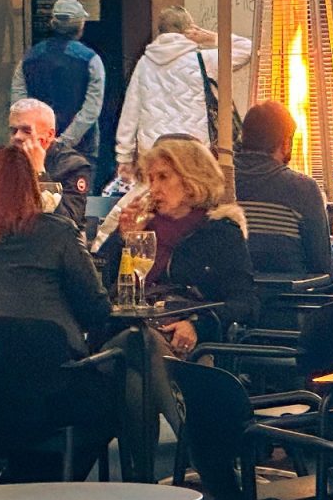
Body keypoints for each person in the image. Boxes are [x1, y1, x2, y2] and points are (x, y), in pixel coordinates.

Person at [0, 145, 116, 481]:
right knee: (112, 401)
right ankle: (55, 486)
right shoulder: (58, 232)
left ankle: (21, 479)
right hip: (51, 390)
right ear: (33, 188)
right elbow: (96, 308)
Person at [102, 137, 259, 351]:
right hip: (130, 331)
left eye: (163, 177)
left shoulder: (219, 232)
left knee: (146, 346)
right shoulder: (142, 227)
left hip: (187, 338)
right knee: (141, 343)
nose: (154, 188)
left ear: (192, 180)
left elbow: (245, 303)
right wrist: (123, 240)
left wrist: (197, 326)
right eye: (151, 179)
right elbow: (103, 286)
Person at [114, 6, 251, 181]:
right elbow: (248, 49)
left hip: (153, 152)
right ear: (190, 30)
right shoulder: (204, 60)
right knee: (195, 196)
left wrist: (124, 157)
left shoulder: (144, 63)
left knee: (157, 199)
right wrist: (211, 38)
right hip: (194, 149)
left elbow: (130, 112)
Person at [234, 101, 333, 277]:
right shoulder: (303, 188)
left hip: (231, 297)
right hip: (293, 299)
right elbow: (323, 265)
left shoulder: (220, 181)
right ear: (285, 142)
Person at [10, 0, 104, 163]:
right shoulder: (91, 60)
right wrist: (64, 142)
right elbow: (91, 109)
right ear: (80, 25)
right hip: (81, 147)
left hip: (35, 145)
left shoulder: (28, 58)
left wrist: (33, 136)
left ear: (53, 24)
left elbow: (18, 104)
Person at [8, 97, 91, 228]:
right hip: (11, 241)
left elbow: (68, 223)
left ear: (50, 135)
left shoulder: (73, 165)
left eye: (26, 130)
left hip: (55, 243)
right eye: (13, 131)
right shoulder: (4, 161)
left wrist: (38, 172)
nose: (17, 137)